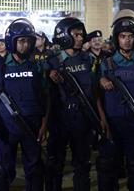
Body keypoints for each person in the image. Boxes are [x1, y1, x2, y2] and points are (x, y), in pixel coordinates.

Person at [0, 18, 49, 191]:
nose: (25, 45)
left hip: (31, 126)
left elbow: (46, 96)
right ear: (13, 42)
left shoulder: (38, 66)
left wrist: (44, 124)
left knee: (34, 170)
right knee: (2, 169)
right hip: (6, 126)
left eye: (28, 41)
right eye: (21, 41)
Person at [97, 12, 134, 191]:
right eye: (123, 37)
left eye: (131, 36)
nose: (127, 40)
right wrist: (103, 120)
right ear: (117, 39)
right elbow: (97, 96)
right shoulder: (105, 64)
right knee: (109, 169)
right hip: (113, 124)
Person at [45, 18, 97, 191]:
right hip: (59, 120)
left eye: (81, 35)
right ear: (65, 36)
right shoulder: (51, 62)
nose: (81, 38)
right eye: (76, 35)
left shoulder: (88, 59)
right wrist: (48, 72)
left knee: (82, 164)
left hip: (83, 119)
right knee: (55, 164)